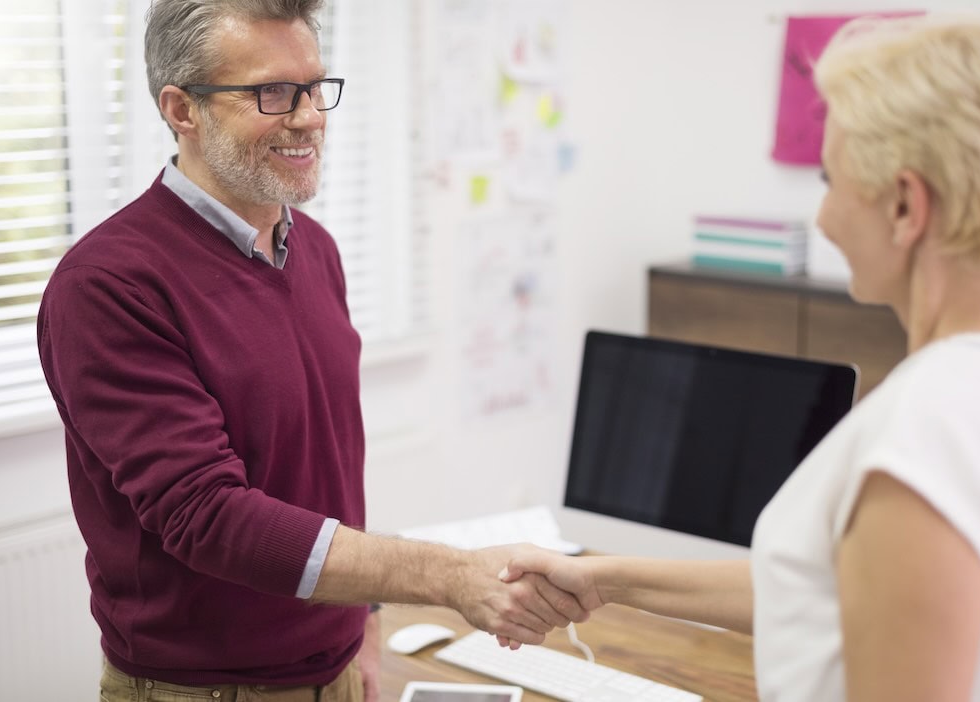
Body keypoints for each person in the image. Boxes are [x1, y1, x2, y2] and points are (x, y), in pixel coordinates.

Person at [501, 14, 980, 702]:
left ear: (906, 206)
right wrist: (604, 579)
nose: (823, 218)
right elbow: (822, 587)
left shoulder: (928, 437)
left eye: (831, 178)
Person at [36, 1, 584, 700]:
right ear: (181, 109)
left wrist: (365, 618)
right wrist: (448, 577)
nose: (310, 117)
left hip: (337, 670)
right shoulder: (110, 284)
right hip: (203, 690)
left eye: (315, 87)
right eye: (273, 92)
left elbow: (324, 471)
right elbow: (208, 517)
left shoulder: (315, 250)